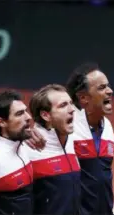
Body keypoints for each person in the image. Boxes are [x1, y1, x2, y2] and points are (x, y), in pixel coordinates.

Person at [66, 62, 114, 215]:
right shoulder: (67, 127)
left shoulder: (107, 126)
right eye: (102, 88)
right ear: (83, 98)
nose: (110, 91)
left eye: (108, 86)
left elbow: (104, 177)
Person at [27, 84, 81, 215]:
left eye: (71, 103)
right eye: (63, 105)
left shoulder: (71, 139)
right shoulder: (28, 147)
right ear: (46, 115)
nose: (72, 109)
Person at [0, 90, 34, 215]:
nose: (28, 117)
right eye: (20, 114)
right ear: (1, 122)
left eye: (26, 111)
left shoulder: (27, 147)